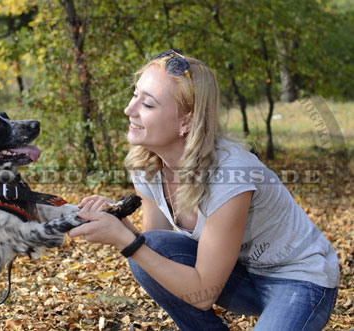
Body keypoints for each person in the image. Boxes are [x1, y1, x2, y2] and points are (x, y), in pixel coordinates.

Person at [68, 50, 339, 330]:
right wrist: (118, 223)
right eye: (135, 95)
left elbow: (204, 295)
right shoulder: (147, 164)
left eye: (147, 104)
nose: (129, 109)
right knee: (150, 251)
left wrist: (125, 240)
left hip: (299, 280)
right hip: (238, 276)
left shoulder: (231, 174)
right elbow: (150, 243)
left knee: (141, 252)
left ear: (186, 122)